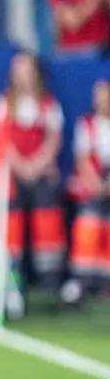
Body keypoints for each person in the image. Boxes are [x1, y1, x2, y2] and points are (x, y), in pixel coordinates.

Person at [0, 53, 66, 290]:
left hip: (40, 172)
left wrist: (37, 165)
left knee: (47, 220)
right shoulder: (3, 104)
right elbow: (1, 140)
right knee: (11, 223)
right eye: (17, 71)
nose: (22, 76)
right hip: (11, 174)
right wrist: (21, 167)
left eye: (26, 70)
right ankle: (12, 276)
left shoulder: (48, 104)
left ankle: (49, 279)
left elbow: (54, 139)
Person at [69, 79, 110, 297]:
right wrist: (96, 184)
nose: (103, 102)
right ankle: (83, 281)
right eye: (99, 97)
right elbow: (82, 158)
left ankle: (106, 283)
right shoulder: (86, 124)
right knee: (88, 229)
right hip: (91, 185)